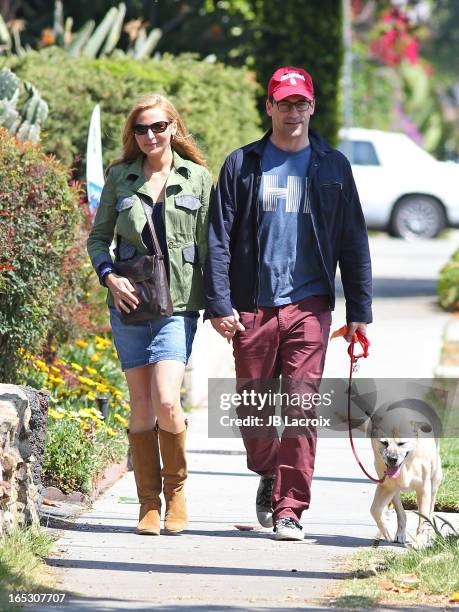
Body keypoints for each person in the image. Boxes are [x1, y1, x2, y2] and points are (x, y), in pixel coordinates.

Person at [204, 66, 372, 540]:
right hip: (253, 305)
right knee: (254, 409)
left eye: (301, 103)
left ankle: (290, 509)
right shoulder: (243, 164)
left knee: (300, 407)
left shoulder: (333, 166)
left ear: (312, 107)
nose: (293, 111)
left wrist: (359, 311)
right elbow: (219, 238)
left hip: (310, 304)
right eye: (285, 103)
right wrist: (219, 302)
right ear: (270, 107)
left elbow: (353, 239)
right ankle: (269, 470)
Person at [87, 94, 212, 536]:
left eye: (158, 127)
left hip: (178, 306)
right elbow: (98, 239)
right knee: (140, 407)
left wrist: (221, 306)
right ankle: (148, 505)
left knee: (165, 400)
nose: (150, 136)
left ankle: (177, 494)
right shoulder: (120, 178)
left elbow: (213, 248)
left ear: (174, 127)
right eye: (141, 129)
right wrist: (108, 276)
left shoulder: (197, 178)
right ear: (133, 135)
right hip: (130, 304)